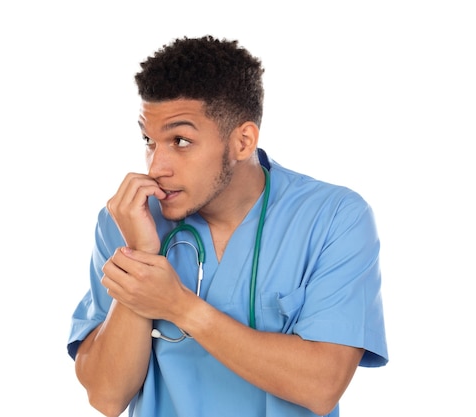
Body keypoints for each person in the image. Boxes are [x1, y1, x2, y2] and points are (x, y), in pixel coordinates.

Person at [67, 35, 388, 417]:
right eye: (149, 140)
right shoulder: (127, 219)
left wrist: (178, 305)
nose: (156, 167)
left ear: (243, 141)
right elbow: (106, 397)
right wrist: (139, 259)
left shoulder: (334, 217)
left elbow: (321, 386)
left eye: (180, 140)